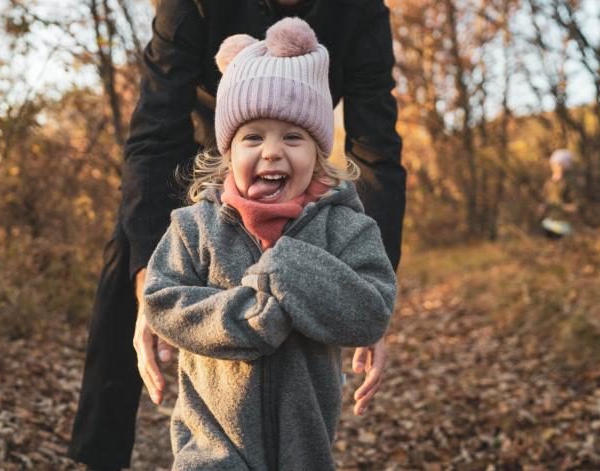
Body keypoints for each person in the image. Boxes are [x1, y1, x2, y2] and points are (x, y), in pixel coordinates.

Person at [68, 0, 406, 469]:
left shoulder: (360, 11)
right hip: (205, 149)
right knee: (130, 253)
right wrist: (149, 284)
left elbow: (377, 151)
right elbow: (154, 133)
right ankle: (99, 458)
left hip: (301, 142)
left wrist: (373, 298)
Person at [538, 149, 580, 238]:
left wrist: (565, 207)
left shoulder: (570, 182)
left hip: (564, 222)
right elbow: (545, 198)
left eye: (559, 164)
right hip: (549, 221)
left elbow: (576, 204)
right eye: (554, 164)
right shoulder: (549, 182)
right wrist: (543, 207)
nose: (556, 167)